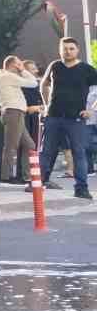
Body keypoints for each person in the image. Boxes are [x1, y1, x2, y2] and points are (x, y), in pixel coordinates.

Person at [37, 38, 97, 200]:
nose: (68, 51)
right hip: (53, 116)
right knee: (46, 151)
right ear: (60, 50)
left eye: (71, 48)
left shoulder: (86, 69)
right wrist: (46, 104)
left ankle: (81, 188)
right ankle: (39, 182)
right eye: (65, 49)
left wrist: (91, 109)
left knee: (79, 153)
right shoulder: (55, 66)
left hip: (75, 118)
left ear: (77, 51)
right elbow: (44, 84)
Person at [0, 56, 37, 183]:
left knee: (30, 145)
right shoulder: (8, 76)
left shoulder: (2, 76)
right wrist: (23, 70)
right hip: (14, 113)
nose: (21, 66)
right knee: (11, 147)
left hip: (14, 113)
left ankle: (27, 176)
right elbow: (33, 83)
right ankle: (5, 178)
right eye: (19, 64)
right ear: (13, 65)